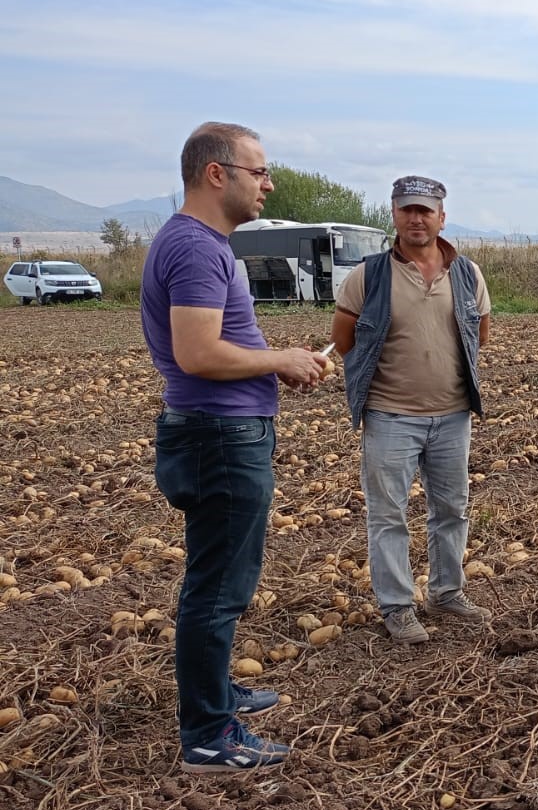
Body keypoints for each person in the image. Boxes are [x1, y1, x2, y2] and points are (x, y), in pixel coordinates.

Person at [141, 122, 330, 772]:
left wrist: (278, 363)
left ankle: (215, 693)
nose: (268, 184)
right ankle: (206, 735)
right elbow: (196, 352)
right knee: (218, 587)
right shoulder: (196, 248)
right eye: (260, 171)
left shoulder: (198, 242)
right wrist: (277, 356)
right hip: (220, 438)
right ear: (216, 173)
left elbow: (210, 347)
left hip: (217, 432)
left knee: (216, 577)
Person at [332, 176, 492, 645]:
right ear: (395, 215)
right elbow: (343, 339)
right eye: (407, 210)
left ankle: (447, 592)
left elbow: (479, 335)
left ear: (442, 217)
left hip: (452, 415)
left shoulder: (468, 274)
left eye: (425, 210)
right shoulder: (369, 275)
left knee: (452, 509)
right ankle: (398, 606)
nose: (416, 218)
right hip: (390, 415)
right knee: (388, 515)